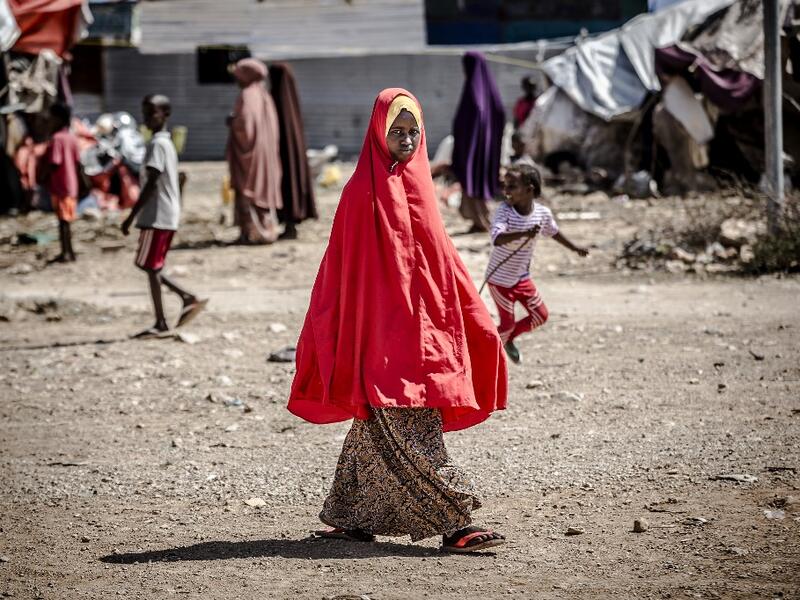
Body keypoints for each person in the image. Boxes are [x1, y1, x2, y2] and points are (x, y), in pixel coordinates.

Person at [288, 89, 508, 553]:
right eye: (397, 132)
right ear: (378, 132)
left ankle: (352, 516)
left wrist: (473, 317)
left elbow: (441, 260)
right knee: (406, 423)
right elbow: (343, 274)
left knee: (379, 428)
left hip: (426, 332)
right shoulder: (360, 193)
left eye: (414, 132)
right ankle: (454, 522)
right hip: (379, 337)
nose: (407, 141)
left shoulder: (422, 184)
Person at [121, 95, 206, 338]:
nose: (147, 119)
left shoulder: (157, 145)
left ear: (165, 114)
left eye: (152, 113)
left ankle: (179, 304)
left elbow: (152, 183)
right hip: (165, 214)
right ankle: (174, 307)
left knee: (148, 265)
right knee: (149, 265)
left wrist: (130, 217)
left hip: (157, 215)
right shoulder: (165, 143)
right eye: (145, 113)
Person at [486, 164, 589, 364]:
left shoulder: (542, 214)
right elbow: (497, 238)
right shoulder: (504, 211)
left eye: (512, 186)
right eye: (505, 186)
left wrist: (575, 248)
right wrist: (524, 233)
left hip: (522, 278)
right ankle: (490, 356)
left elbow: (554, 232)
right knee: (505, 326)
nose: (506, 191)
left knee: (540, 316)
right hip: (499, 281)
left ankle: (505, 341)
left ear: (529, 189)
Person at [226, 58, 282, 244]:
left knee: (248, 192)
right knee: (261, 191)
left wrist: (232, 122)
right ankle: (266, 231)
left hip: (250, 156)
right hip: (265, 155)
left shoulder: (248, 95)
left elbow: (245, 127)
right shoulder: (264, 94)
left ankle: (252, 234)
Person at [452, 51, 506, 233]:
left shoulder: (473, 95)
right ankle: (480, 221)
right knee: (477, 183)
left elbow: (464, 125)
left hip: (471, 153)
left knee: (471, 183)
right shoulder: (491, 93)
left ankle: (481, 221)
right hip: (487, 152)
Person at [268, 62, 317, 240]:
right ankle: (290, 223)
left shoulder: (278, 101)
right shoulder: (291, 101)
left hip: (283, 157)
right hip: (291, 155)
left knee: (288, 184)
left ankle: (289, 224)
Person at [42, 103, 81, 262]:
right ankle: (69, 251)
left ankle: (66, 252)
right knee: (66, 221)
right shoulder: (71, 137)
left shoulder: (57, 139)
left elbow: (54, 162)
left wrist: (43, 176)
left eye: (51, 118)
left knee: (63, 222)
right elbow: (78, 162)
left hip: (60, 186)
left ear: (58, 119)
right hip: (71, 185)